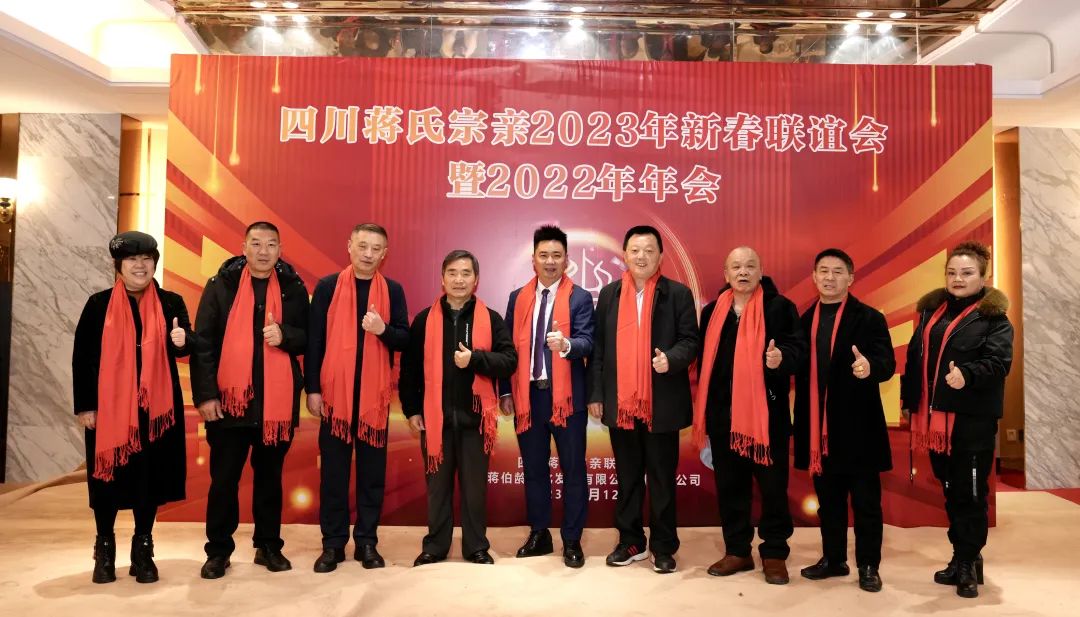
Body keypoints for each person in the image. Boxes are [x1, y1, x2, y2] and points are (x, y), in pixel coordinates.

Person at [191, 221, 310, 579]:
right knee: (224, 480)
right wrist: (206, 396)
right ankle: (218, 551)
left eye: (271, 244)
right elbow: (203, 343)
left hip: (275, 404)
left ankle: (268, 546)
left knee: (270, 479)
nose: (263, 251)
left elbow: (308, 338)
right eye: (256, 244)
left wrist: (285, 335)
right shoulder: (221, 285)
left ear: (280, 250)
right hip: (230, 404)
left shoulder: (293, 287)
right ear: (243, 248)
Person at [72, 231, 191, 584]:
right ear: (119, 266)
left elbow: (186, 347)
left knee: (149, 480)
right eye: (132, 259)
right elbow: (83, 359)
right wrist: (86, 406)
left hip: (155, 410)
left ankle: (143, 549)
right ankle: (104, 548)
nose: (140, 265)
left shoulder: (171, 302)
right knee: (107, 479)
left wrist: (184, 340)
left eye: (146, 259)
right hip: (110, 409)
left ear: (154, 263)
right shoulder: (98, 304)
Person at [901, 241, 1013, 599]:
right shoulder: (930, 313)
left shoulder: (995, 318)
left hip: (971, 421)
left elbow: (999, 363)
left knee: (971, 493)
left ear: (983, 277)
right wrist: (908, 400)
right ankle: (964, 556)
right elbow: (915, 358)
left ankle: (966, 561)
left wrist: (967, 374)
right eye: (952, 273)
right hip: (934, 422)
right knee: (951, 489)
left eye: (967, 273)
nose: (958, 279)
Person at [588, 225, 700, 574]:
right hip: (621, 404)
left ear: (660, 256)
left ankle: (664, 546)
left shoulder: (677, 294)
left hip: (661, 403)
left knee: (662, 479)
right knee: (628, 477)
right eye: (635, 250)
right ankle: (630, 541)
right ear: (624, 254)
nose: (642, 256)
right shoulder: (609, 294)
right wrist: (597, 394)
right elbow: (599, 349)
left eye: (649, 250)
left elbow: (690, 341)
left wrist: (672, 359)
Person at [694, 246, 805, 585]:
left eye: (750, 266)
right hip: (723, 417)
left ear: (760, 271)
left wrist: (780, 358)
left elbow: (799, 350)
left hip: (765, 417)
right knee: (730, 488)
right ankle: (737, 551)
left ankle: (774, 553)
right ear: (726, 274)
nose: (743, 272)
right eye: (736, 267)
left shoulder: (780, 307)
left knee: (773, 490)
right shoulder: (713, 312)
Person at [399, 250, 517, 565]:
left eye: (466, 273)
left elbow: (509, 361)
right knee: (437, 489)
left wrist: (475, 359)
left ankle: (476, 547)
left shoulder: (491, 319)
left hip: (476, 421)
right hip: (434, 420)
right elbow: (409, 370)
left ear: (476, 280)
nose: (459, 279)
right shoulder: (424, 320)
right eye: (452, 273)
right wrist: (412, 410)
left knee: (474, 490)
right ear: (442, 278)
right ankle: (435, 547)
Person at [306, 223, 409, 572]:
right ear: (349, 246)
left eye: (376, 249)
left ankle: (367, 542)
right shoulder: (327, 287)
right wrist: (313, 389)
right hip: (335, 397)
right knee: (333, 475)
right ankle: (333, 544)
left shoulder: (393, 290)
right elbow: (314, 341)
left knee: (371, 475)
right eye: (362, 246)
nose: (368, 254)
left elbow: (404, 338)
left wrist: (383, 330)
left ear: (385, 254)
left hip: (372, 402)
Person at [793, 248, 895, 592]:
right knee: (829, 502)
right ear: (814, 276)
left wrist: (870, 367)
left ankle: (869, 565)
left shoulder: (869, 318)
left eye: (838, 271)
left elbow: (887, 363)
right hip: (818, 429)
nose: (829, 277)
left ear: (851, 278)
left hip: (858, 427)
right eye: (823, 271)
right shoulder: (804, 320)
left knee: (866, 503)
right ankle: (834, 559)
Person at [500, 225, 595, 568]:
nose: (550, 261)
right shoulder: (518, 298)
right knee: (534, 470)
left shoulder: (579, 297)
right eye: (544, 255)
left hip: (567, 400)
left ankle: (572, 539)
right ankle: (539, 534)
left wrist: (567, 345)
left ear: (566, 260)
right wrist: (506, 389)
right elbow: (506, 348)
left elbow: (588, 341)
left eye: (557, 255)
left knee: (573, 470)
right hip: (529, 399)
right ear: (534, 259)